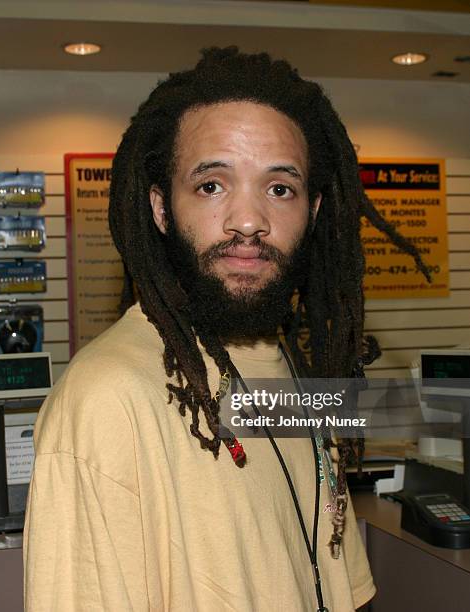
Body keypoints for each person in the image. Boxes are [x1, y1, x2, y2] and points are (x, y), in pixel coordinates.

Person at [23, 47, 428, 611]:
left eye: (279, 188)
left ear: (311, 212)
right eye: (212, 185)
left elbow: (336, 574)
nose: (248, 220)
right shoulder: (104, 401)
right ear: (161, 209)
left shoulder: (289, 363)